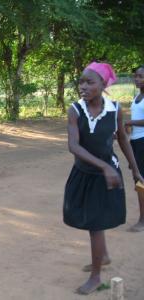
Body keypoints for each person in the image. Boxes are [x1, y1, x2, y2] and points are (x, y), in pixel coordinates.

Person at [64, 62, 143, 295]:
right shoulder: (75, 110)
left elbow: (122, 139)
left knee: (96, 225)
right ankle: (104, 256)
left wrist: (135, 168)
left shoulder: (115, 109)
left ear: (103, 85)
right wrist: (103, 166)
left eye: (90, 82)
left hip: (106, 176)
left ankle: (97, 276)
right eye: (81, 81)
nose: (83, 86)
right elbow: (74, 146)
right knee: (90, 222)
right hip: (85, 173)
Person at [125, 65, 144, 232]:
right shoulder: (137, 97)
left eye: (141, 76)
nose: (137, 79)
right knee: (138, 180)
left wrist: (130, 123)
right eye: (136, 76)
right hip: (136, 141)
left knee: (140, 181)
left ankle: (142, 221)